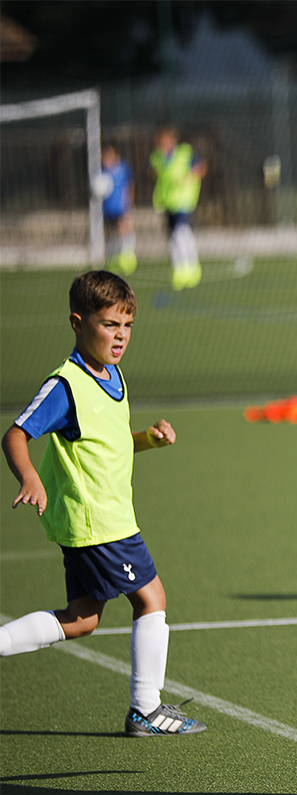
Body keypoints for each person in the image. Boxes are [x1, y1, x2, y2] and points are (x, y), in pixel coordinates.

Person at [1, 271, 205, 737]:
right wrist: (29, 476)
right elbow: (15, 434)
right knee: (152, 599)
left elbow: (109, 442)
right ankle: (145, 710)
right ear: (78, 322)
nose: (120, 336)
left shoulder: (112, 375)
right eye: (110, 324)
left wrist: (148, 441)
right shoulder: (66, 386)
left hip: (99, 522)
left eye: (127, 326)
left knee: (82, 619)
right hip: (101, 524)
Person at [150, 127, 205, 290]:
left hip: (184, 202)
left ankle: (191, 267)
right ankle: (179, 269)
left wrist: (188, 177)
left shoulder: (185, 153)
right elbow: (154, 174)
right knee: (173, 237)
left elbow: (201, 167)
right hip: (167, 203)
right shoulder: (157, 157)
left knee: (182, 234)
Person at [97, 142, 136, 275]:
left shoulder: (123, 168)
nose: (106, 158)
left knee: (125, 229)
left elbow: (130, 184)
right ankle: (113, 258)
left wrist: (130, 202)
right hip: (107, 208)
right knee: (111, 234)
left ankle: (128, 257)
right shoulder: (101, 171)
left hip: (121, 206)